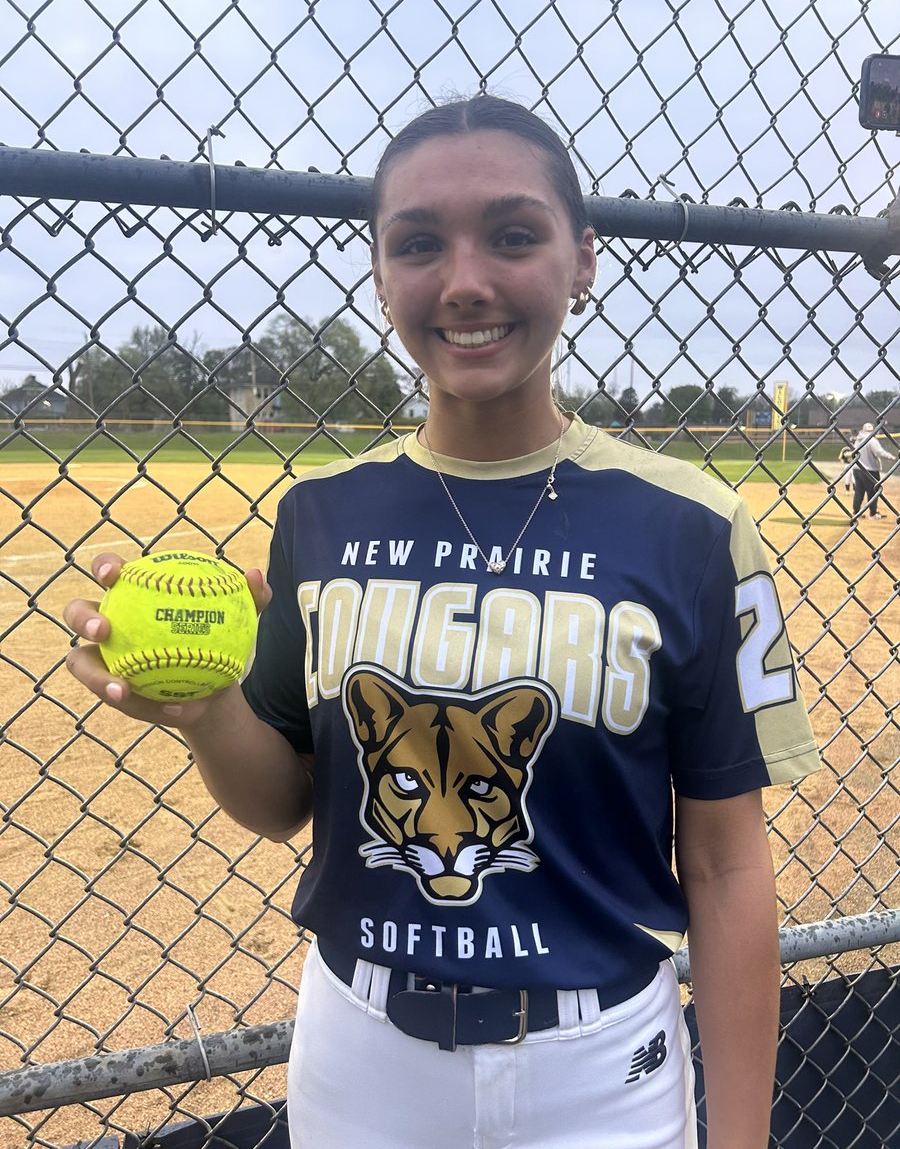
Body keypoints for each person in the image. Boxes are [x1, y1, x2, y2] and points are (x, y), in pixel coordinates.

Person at [65, 95, 821, 1149]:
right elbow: (282, 804)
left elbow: (730, 867)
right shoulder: (322, 513)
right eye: (418, 243)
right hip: (360, 1049)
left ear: (583, 259)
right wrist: (208, 713)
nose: (466, 282)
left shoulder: (694, 526)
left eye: (514, 235)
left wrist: (742, 1141)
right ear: (380, 271)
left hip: (603, 1065)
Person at [850, 421, 896, 520]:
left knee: (859, 491)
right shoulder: (872, 440)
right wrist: (891, 457)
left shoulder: (858, 439)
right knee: (873, 492)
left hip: (857, 469)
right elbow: (879, 452)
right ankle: (873, 513)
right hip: (870, 470)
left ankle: (856, 512)